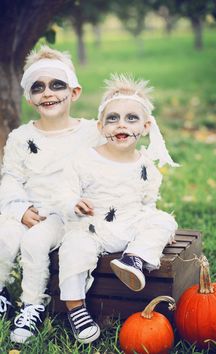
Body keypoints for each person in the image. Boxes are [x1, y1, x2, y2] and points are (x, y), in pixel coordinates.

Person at [57, 73, 179, 344]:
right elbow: (64, 191)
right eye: (113, 118)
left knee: (165, 222)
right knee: (74, 249)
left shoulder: (146, 164)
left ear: (146, 126)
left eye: (131, 118)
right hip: (93, 227)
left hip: (131, 223)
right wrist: (72, 203)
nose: (121, 125)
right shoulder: (85, 159)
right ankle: (76, 308)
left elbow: (148, 201)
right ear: (101, 126)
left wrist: (153, 226)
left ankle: (133, 259)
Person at [0, 45, 103, 344]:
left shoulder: (90, 133)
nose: (48, 93)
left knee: (35, 240)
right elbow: (11, 178)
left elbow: (110, 168)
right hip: (29, 207)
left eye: (57, 85)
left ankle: (32, 304)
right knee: (4, 235)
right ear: (29, 97)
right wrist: (18, 209)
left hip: (66, 212)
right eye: (38, 87)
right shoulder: (22, 137)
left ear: (75, 91)